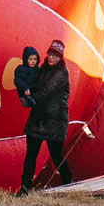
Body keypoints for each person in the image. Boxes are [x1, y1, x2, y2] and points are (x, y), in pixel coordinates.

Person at [20, 39, 72, 192]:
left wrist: (30, 100)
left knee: (56, 155)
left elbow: (47, 91)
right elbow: (34, 84)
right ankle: (25, 186)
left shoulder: (62, 73)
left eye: (55, 56)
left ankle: (68, 182)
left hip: (54, 121)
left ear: (60, 58)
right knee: (31, 155)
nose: (51, 58)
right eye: (50, 54)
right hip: (38, 118)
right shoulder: (42, 69)